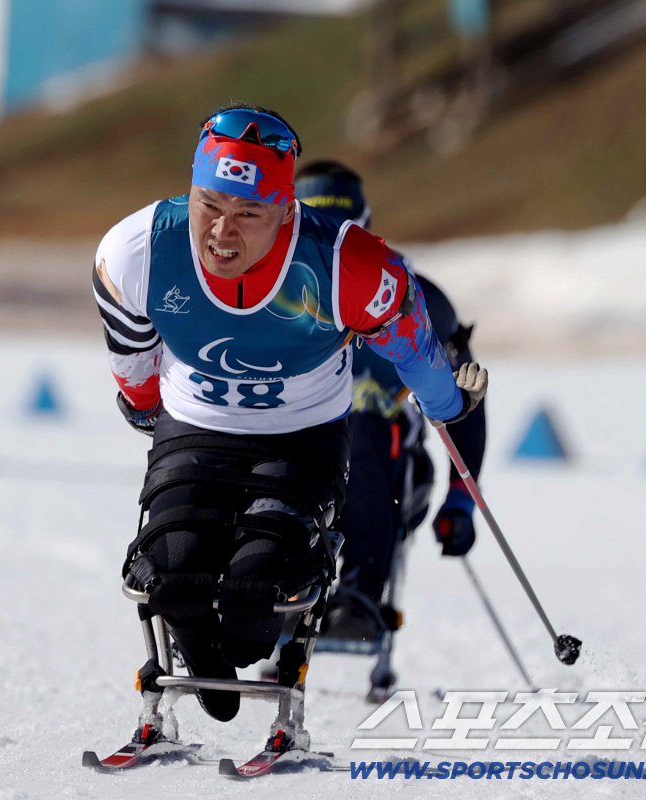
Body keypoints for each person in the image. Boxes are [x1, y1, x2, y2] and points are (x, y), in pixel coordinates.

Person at [93, 105, 487, 723]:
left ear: (286, 209)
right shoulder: (133, 252)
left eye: (248, 212)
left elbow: (419, 353)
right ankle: (207, 675)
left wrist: (451, 407)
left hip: (299, 439)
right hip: (196, 427)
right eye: (209, 204)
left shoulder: (348, 265)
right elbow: (133, 363)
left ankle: (244, 649)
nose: (222, 231)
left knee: (257, 598)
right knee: (170, 573)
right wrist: (149, 411)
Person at [292, 161, 487, 688]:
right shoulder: (263, 294)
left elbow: (462, 404)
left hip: (387, 465)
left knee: (360, 425)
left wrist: (460, 500)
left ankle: (355, 591)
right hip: (299, 456)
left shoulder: (414, 296)